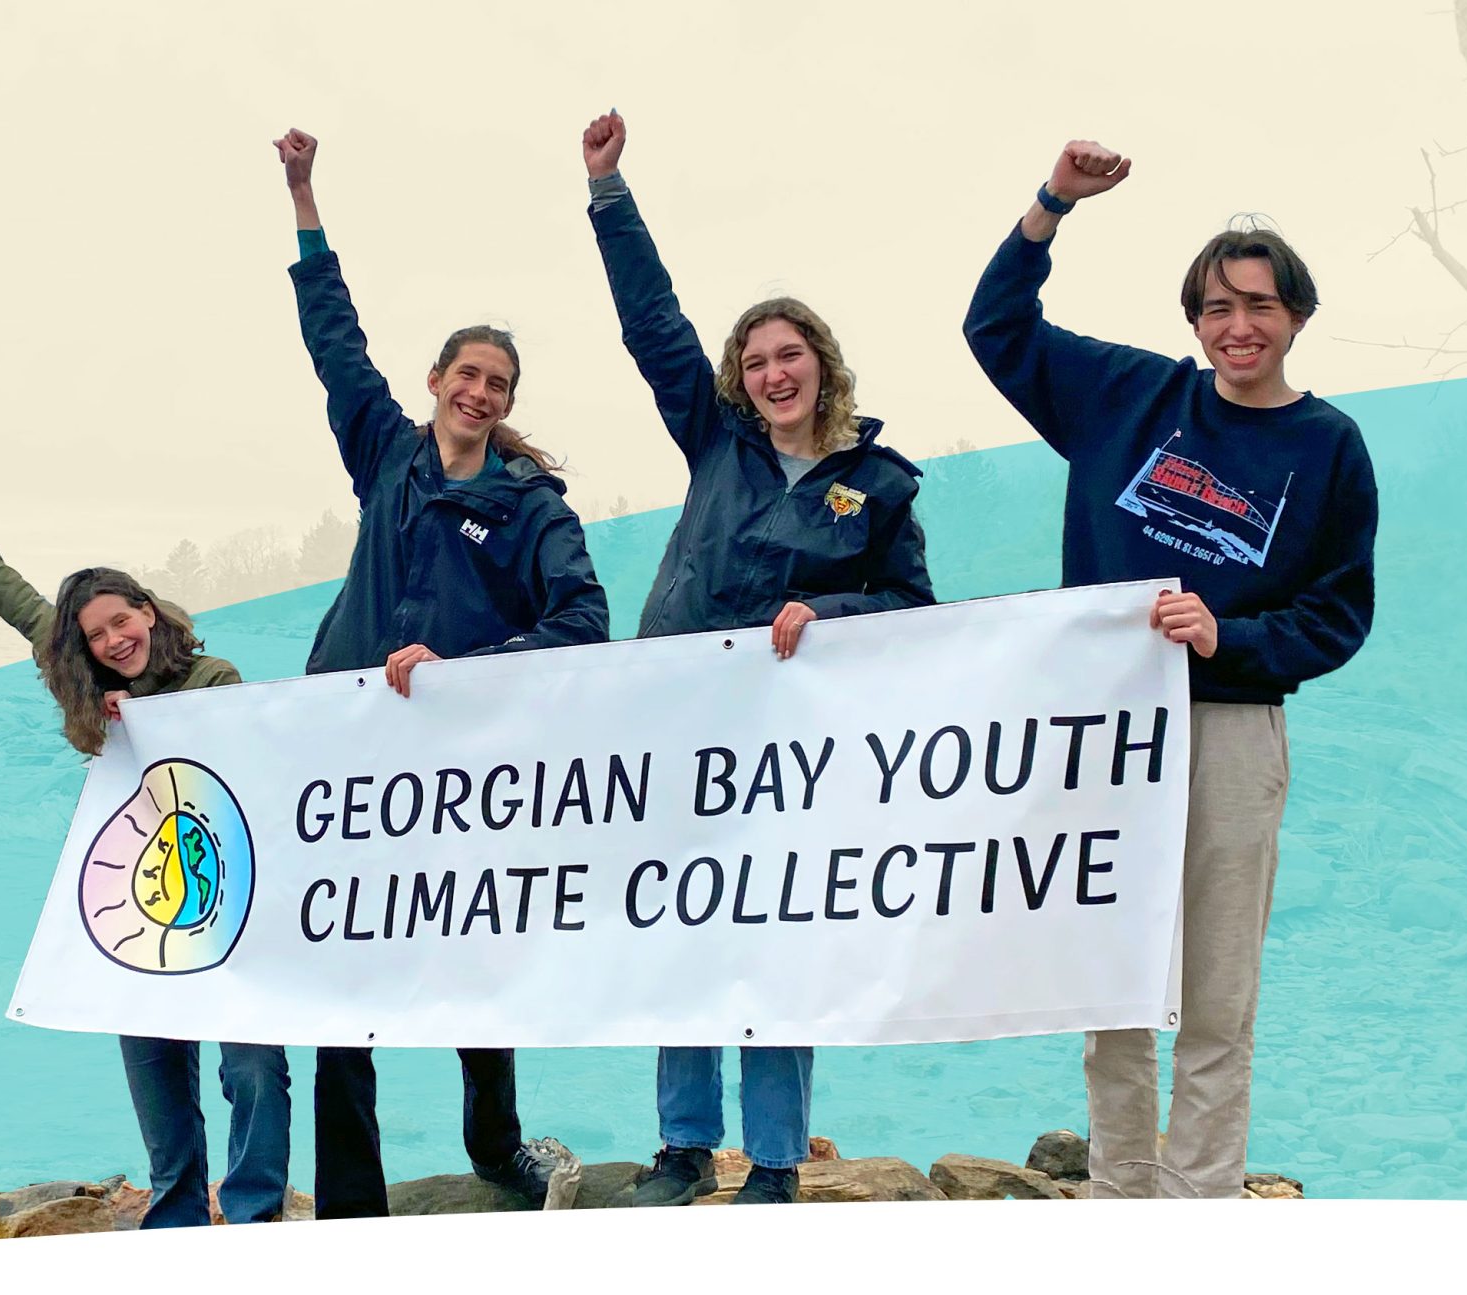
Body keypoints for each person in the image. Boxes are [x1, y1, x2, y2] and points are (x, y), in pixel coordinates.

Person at [962, 140, 1379, 1200]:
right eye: (1214, 307)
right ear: (1192, 321)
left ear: (1295, 314)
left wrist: (1227, 636)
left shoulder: (1329, 445)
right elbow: (996, 329)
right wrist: (1053, 203)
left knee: (1215, 985)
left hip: (1232, 727)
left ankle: (1199, 1203)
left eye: (1258, 304)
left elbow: (1338, 611)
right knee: (1112, 970)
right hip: (1107, 733)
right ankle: (1118, 1189)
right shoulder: (1128, 398)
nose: (1236, 326)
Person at [579, 109, 935, 1206]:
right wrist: (607, 192)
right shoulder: (715, 440)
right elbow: (654, 325)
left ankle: (773, 1160)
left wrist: (829, 607)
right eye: (756, 358)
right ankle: (684, 1146)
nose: (774, 372)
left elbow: (914, 612)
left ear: (822, 363)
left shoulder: (879, 485)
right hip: (679, 729)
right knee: (680, 922)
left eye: (792, 355)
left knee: (774, 941)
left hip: (794, 753)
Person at [276, 126, 609, 1217]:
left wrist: (468, 669)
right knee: (343, 977)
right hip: (349, 761)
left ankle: (497, 1145)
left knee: (474, 960)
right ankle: (354, 1204)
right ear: (434, 381)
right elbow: (334, 342)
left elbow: (583, 620)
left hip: (467, 772)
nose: (478, 390)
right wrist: (304, 198)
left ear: (508, 402)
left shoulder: (529, 508)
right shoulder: (385, 452)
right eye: (466, 372)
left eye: (497, 381)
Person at [0, 451, 293, 1227]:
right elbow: (19, 602)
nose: (114, 639)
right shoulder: (86, 683)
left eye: (122, 620)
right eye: (97, 633)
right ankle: (175, 1215)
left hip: (226, 894)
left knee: (254, 1066)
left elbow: (250, 766)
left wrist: (153, 724)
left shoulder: (214, 677)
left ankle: (256, 1213)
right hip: (138, 897)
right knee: (157, 1067)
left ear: (148, 610)